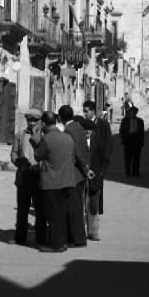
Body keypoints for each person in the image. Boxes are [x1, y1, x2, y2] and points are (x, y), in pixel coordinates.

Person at [30, 111, 76, 253]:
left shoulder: (47, 139)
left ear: (43, 123)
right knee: (62, 213)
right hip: (66, 181)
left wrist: (34, 139)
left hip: (51, 182)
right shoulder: (68, 138)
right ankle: (62, 242)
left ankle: (56, 245)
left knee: (53, 214)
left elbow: (38, 156)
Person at [10, 108, 46, 246]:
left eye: (34, 120)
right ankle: (20, 238)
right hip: (23, 176)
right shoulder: (20, 135)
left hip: (38, 176)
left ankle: (41, 239)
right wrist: (17, 162)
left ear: (40, 121)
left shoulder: (44, 136)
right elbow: (13, 153)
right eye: (29, 120)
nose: (31, 122)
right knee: (22, 210)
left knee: (40, 210)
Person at [58, 105, 88, 247]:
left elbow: (77, 152)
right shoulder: (79, 126)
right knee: (76, 207)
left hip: (75, 173)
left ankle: (78, 239)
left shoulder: (69, 130)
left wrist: (85, 167)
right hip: (80, 174)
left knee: (74, 208)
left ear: (61, 117)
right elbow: (85, 149)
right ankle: (75, 236)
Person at [83, 100, 112, 214]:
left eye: (86, 111)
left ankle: (94, 210)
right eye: (84, 112)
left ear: (92, 111)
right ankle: (86, 209)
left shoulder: (103, 124)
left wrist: (105, 163)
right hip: (86, 160)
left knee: (96, 186)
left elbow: (109, 143)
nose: (85, 114)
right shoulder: (83, 123)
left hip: (98, 161)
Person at [79, 117, 104, 241]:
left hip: (94, 179)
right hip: (81, 178)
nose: (87, 131)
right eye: (85, 129)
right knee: (81, 205)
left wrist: (100, 173)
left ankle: (93, 231)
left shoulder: (98, 142)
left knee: (93, 206)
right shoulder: (78, 143)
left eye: (89, 129)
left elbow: (104, 159)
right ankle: (82, 231)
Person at [119, 106, 145, 177]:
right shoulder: (125, 121)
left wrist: (141, 141)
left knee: (137, 157)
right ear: (129, 113)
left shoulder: (140, 121)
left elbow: (142, 132)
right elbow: (122, 130)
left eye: (135, 112)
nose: (133, 113)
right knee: (128, 157)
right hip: (128, 139)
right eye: (132, 112)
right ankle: (128, 172)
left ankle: (135, 172)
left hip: (137, 139)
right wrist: (123, 139)